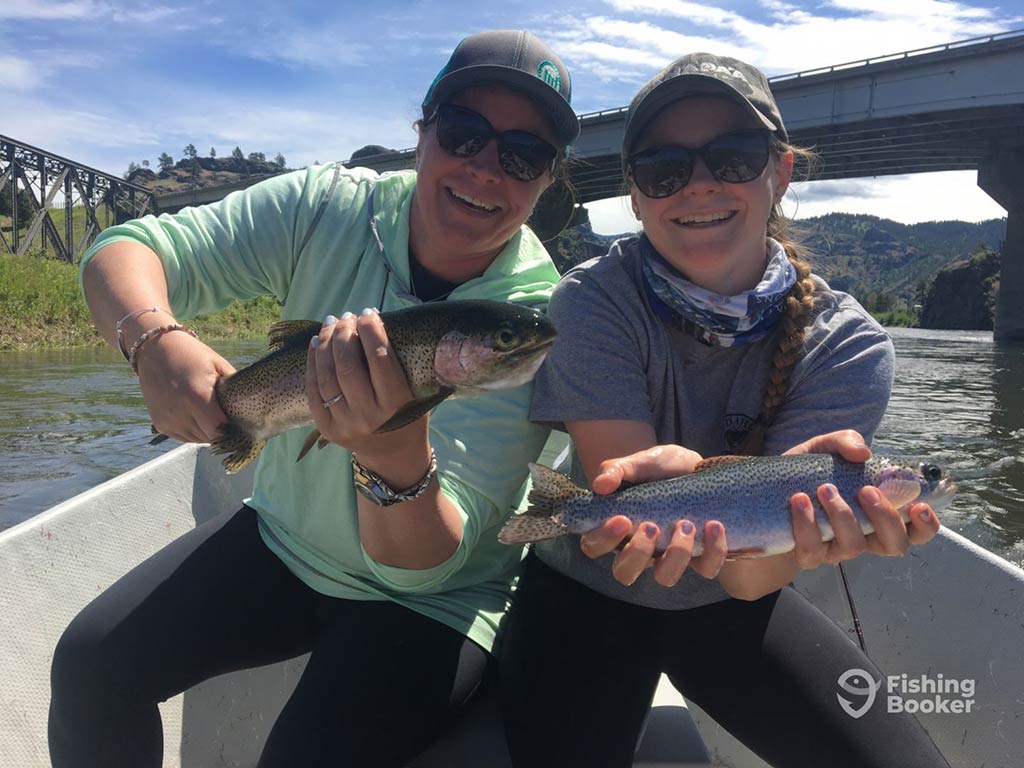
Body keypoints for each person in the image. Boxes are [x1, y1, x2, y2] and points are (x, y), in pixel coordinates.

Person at [49, 30, 579, 768]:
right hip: (284, 541)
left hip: (432, 602)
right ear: (421, 133)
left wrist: (392, 454)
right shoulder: (328, 204)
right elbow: (124, 248)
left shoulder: (533, 320)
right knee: (90, 667)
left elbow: (424, 566)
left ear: (549, 179)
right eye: (464, 134)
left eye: (522, 155)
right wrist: (152, 344)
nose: (486, 169)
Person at [500, 53, 949, 768]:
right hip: (585, 590)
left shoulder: (850, 344)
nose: (700, 183)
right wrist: (680, 485)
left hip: (737, 606)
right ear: (637, 196)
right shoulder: (591, 301)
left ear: (781, 173)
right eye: (664, 168)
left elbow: (743, 577)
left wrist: (812, 532)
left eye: (733, 157)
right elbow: (623, 520)